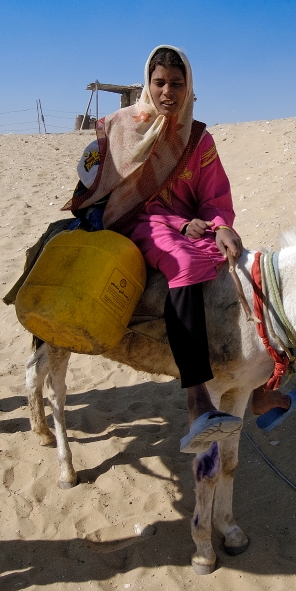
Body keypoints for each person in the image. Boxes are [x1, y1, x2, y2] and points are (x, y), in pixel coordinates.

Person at [69, 46, 249, 453]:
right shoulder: (121, 127)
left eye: (177, 83)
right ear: (148, 85)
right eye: (160, 83)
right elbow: (102, 186)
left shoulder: (199, 139)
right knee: (183, 262)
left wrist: (220, 227)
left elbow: (214, 196)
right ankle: (198, 399)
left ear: (189, 87)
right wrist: (179, 224)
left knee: (237, 259)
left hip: (194, 226)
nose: (169, 92)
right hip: (141, 224)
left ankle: (263, 387)